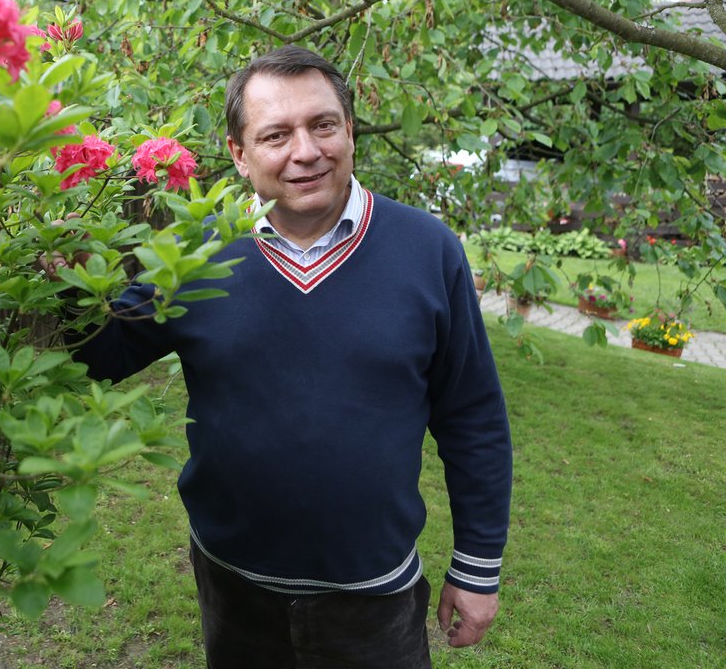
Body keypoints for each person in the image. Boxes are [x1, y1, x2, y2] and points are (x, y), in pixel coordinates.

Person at [67, 45, 512, 668]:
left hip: (372, 597)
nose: (305, 151)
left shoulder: (427, 250)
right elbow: (98, 358)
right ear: (239, 155)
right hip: (233, 585)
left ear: (350, 131)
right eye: (276, 134)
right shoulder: (197, 250)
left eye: (323, 125)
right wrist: (61, 268)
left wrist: (476, 568)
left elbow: (473, 418)